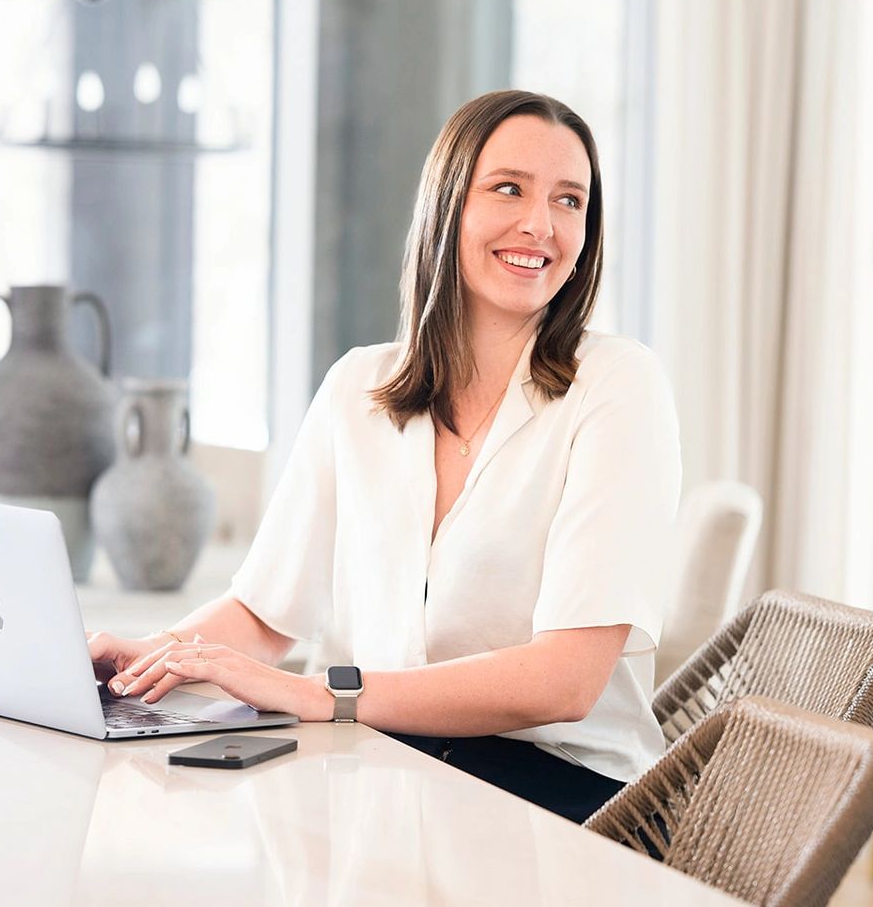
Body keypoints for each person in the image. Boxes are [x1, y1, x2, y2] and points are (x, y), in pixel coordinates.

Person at [88, 89, 682, 824]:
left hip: (564, 791)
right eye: (509, 189)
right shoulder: (358, 387)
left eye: (570, 200)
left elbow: (565, 682)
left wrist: (326, 696)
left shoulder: (618, 384)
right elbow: (264, 614)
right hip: (383, 762)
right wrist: (146, 659)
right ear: (446, 206)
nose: (541, 224)